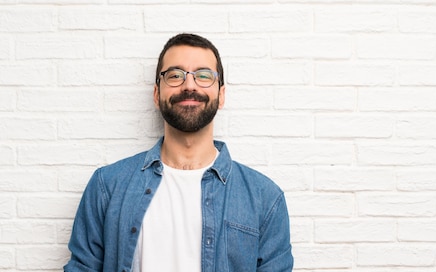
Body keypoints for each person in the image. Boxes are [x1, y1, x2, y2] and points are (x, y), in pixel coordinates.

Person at [64, 33, 294, 272]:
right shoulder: (107, 187)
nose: (189, 85)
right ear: (156, 94)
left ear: (221, 95)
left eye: (204, 76)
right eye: (175, 75)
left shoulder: (265, 198)